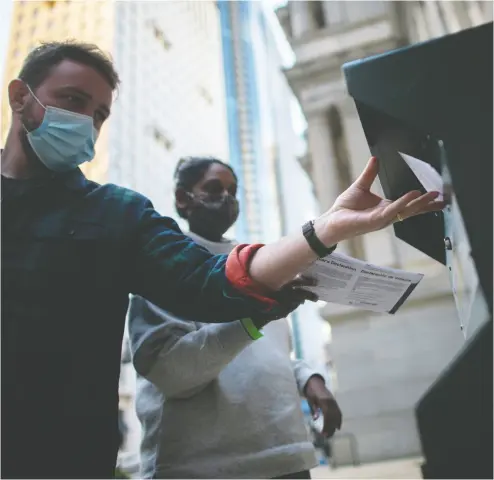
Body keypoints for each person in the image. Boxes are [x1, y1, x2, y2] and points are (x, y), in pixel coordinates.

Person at [1, 41, 444, 479]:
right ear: (21, 96)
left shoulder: (118, 216)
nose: (85, 123)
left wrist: (327, 228)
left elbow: (212, 284)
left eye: (99, 115)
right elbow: (174, 366)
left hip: (66, 459)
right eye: (73, 101)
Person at [128, 156, 343, 479]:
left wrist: (310, 379)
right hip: (202, 467)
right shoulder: (162, 266)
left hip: (286, 459)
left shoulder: (258, 260)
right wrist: (256, 315)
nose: (227, 199)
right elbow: (171, 371)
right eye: (214, 189)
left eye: (233, 190)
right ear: (182, 199)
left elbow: (265, 352)